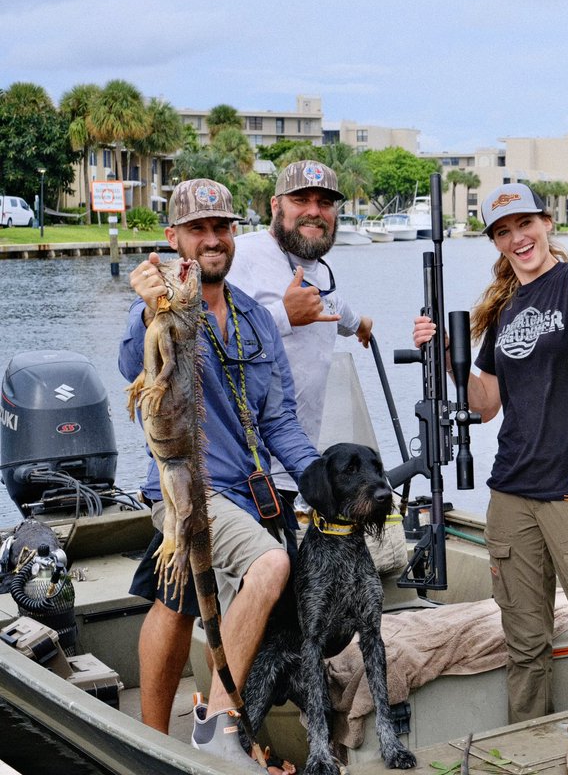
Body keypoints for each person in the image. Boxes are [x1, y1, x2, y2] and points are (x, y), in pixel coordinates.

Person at [412, 183, 568, 722]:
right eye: (503, 231)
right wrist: (447, 356)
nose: (518, 239)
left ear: (546, 222)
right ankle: (529, 750)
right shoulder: (502, 313)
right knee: (525, 649)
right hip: (511, 495)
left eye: (525, 225)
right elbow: (486, 405)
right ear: (495, 242)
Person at [120, 178, 318, 771]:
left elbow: (279, 420)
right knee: (269, 565)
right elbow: (135, 366)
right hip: (182, 489)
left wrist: (321, 481)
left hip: (242, 492)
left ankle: (157, 742)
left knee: (178, 599)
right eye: (198, 229)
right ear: (173, 237)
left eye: (221, 228)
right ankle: (213, 726)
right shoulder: (158, 311)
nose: (212, 239)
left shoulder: (256, 320)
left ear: (234, 234)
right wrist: (150, 301)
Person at [227, 159, 373, 502]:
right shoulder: (241, 256)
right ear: (276, 205)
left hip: (293, 461)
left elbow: (334, 307)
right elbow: (212, 339)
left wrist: (361, 326)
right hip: (242, 466)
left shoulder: (321, 268)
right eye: (301, 200)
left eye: (324, 203)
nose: (314, 211)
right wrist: (283, 315)